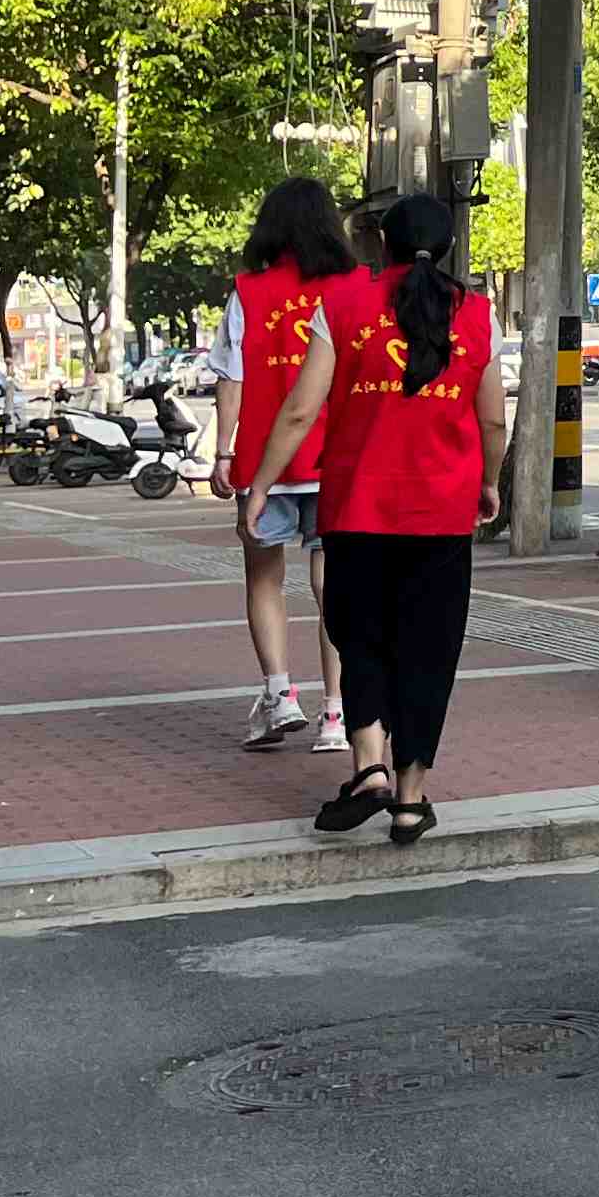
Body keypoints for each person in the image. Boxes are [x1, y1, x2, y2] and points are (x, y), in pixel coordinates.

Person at [241, 193, 504, 846]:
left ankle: (369, 769)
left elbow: (300, 410)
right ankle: (410, 800)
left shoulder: (343, 306)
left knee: (360, 639)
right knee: (428, 651)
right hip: (442, 514)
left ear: (382, 244)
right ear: (449, 245)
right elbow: (493, 419)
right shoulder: (477, 315)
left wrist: (261, 485)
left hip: (357, 510)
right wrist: (489, 482)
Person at [218, 176, 360, 755]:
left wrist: (223, 450)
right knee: (334, 585)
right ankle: (337, 713)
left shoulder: (246, 292)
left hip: (264, 465)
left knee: (263, 578)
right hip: (336, 459)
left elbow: (232, 379)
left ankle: (280, 694)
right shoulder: (355, 288)